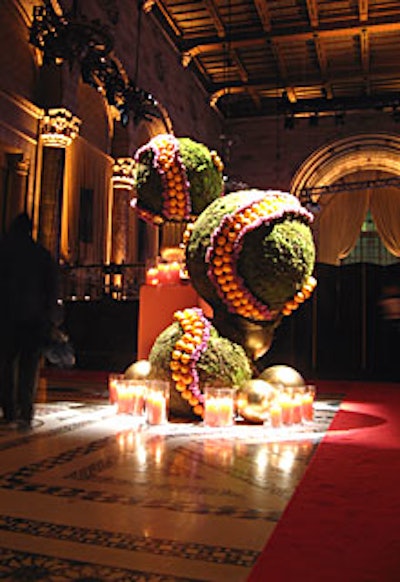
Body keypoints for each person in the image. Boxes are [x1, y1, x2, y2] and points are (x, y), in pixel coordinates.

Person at [0, 212, 59, 430]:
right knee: (29, 366)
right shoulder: (41, 254)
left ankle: (8, 410)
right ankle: (25, 411)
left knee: (6, 364)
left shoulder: (4, 251)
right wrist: (51, 317)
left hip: (6, 317)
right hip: (34, 319)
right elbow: (51, 287)